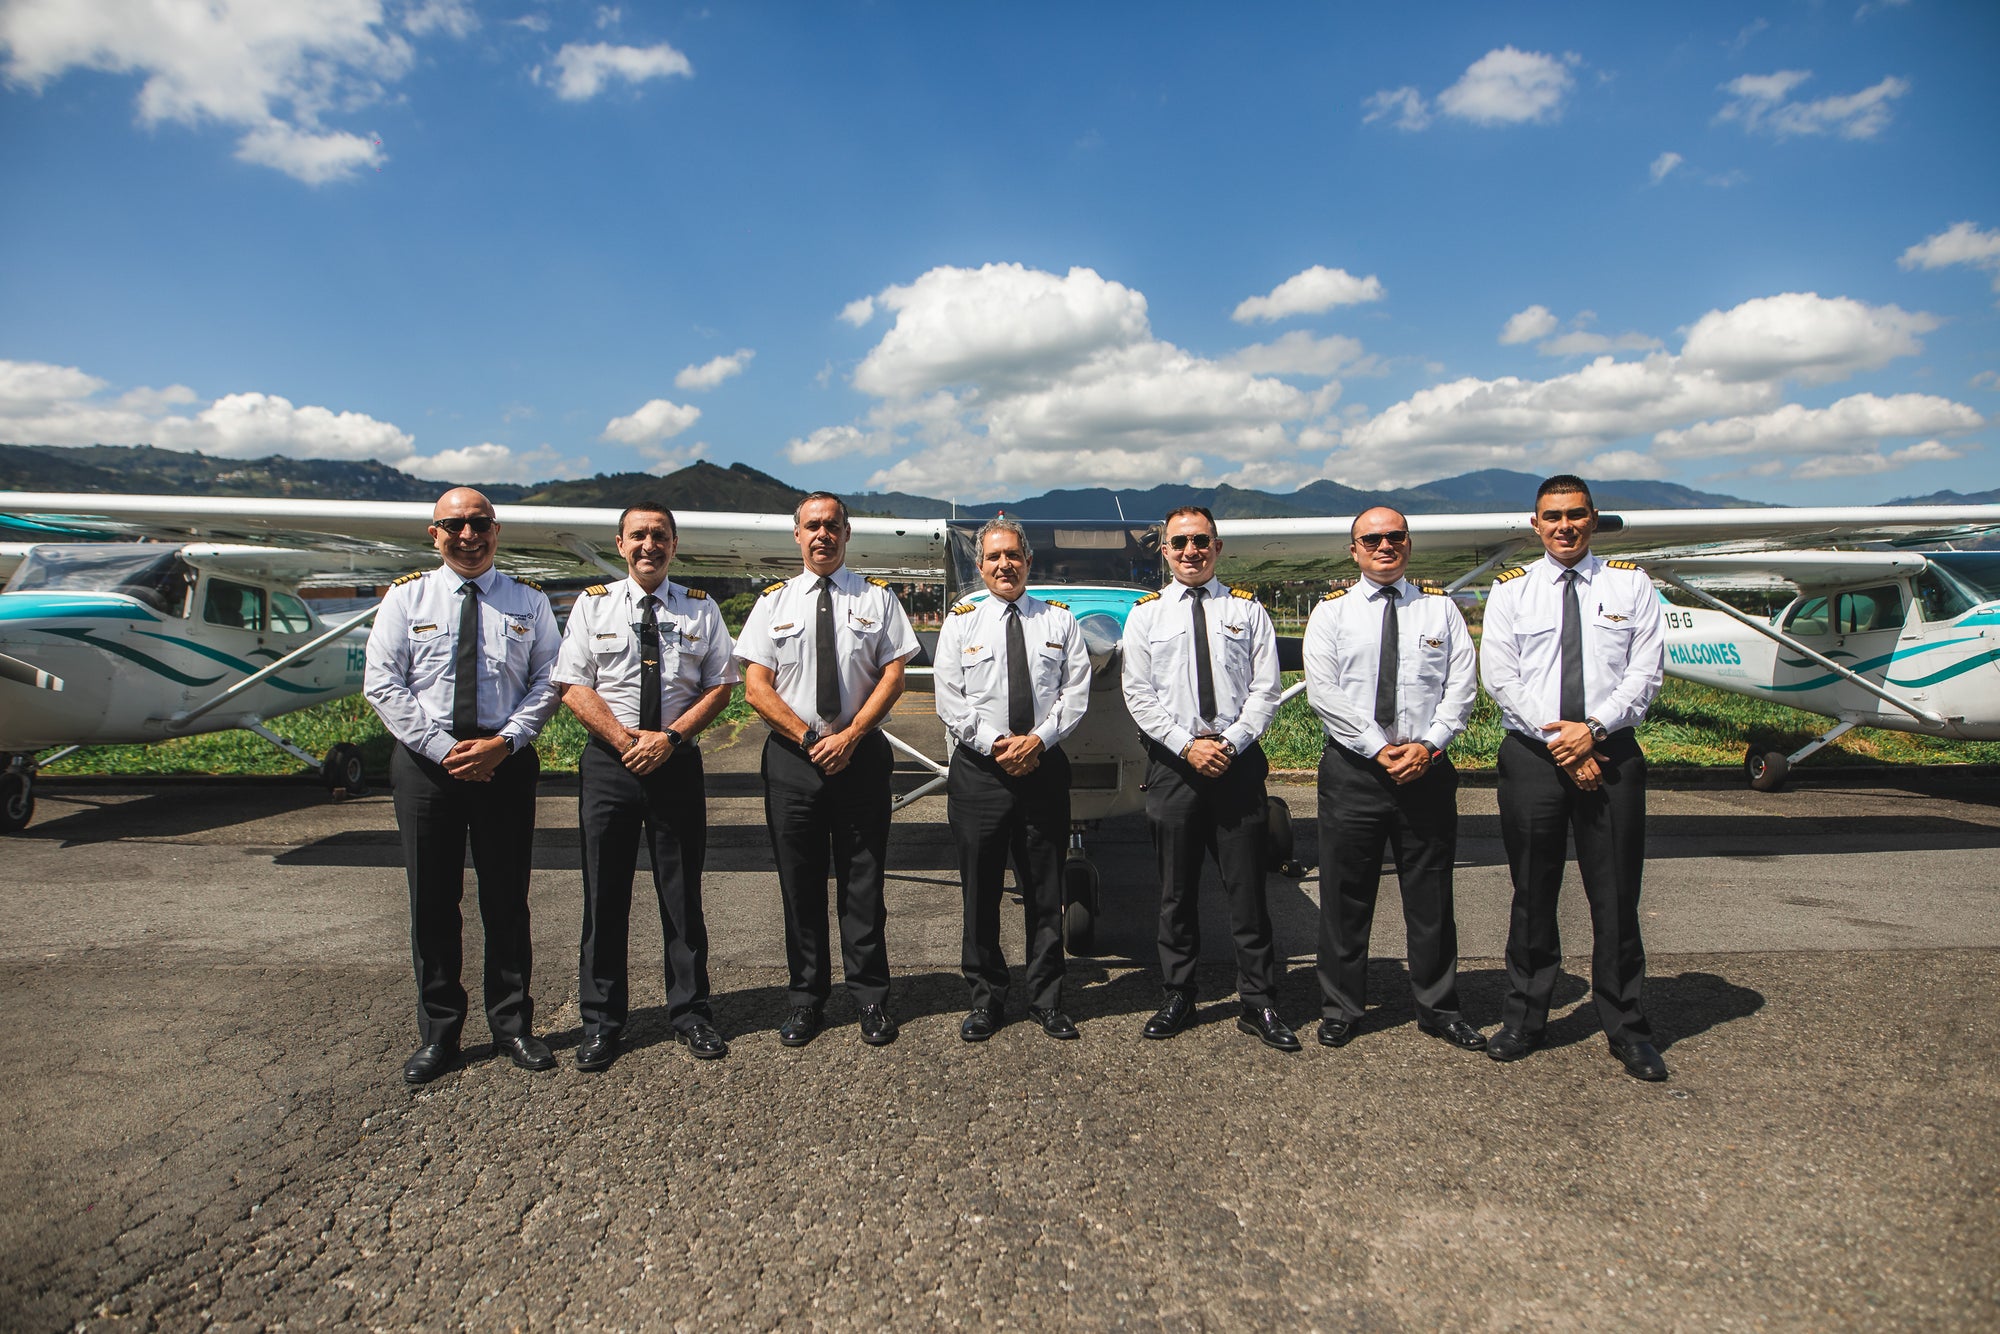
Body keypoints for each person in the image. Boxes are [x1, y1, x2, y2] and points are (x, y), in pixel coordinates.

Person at [363, 487, 561, 1085]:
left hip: (505, 760)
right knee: (432, 901)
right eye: (454, 525)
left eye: (479, 523)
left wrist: (506, 742)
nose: (468, 535)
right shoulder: (406, 598)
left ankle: (513, 1025)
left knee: (506, 899)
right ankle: (440, 1033)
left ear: (496, 530)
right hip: (428, 767)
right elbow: (383, 683)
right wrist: (443, 749)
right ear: (435, 533)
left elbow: (550, 680)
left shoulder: (529, 601)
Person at [1480, 474, 1670, 1081]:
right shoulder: (1511, 590)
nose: (1565, 526)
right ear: (1535, 524)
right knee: (1532, 892)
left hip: (1611, 751)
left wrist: (1593, 729)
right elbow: (1501, 679)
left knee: (1615, 895)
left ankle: (1627, 1027)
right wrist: (1564, 742)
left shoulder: (1631, 585)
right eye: (1553, 516)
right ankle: (1524, 1019)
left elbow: (1646, 672)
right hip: (1534, 757)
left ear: (1594, 518)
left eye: (1576, 514)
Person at [553, 503, 739, 1072]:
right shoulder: (592, 606)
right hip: (610, 764)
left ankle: (691, 1013)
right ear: (620, 544)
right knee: (604, 895)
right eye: (638, 535)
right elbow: (573, 684)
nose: (649, 545)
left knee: (681, 895)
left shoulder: (701, 609)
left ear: (674, 545)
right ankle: (602, 1023)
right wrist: (624, 740)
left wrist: (670, 739)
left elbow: (720, 685)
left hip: (675, 762)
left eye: (660, 535)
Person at [735, 492, 920, 1047]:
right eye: (812, 525)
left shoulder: (878, 598)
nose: (823, 534)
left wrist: (852, 735)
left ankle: (870, 998)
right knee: (801, 885)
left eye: (832, 525)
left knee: (864, 883)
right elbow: (755, 686)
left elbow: (894, 675)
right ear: (797, 535)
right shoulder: (773, 603)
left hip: (860, 756)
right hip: (794, 760)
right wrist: (808, 737)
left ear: (846, 533)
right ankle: (805, 1000)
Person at [1302, 507, 1482, 1052]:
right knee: (1344, 896)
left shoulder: (1440, 609)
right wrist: (1379, 749)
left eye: (1395, 536)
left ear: (1408, 543)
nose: (1385, 545)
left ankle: (1439, 1008)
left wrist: (1429, 746)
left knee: (1431, 897)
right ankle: (1341, 1007)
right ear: (1354, 549)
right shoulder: (1331, 613)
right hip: (1355, 771)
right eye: (1372, 538)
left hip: (1425, 770)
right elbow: (1324, 692)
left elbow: (1461, 687)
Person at [1120, 505, 1296, 1051]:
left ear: (1217, 547)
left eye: (1200, 541)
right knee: (1175, 892)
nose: (1190, 551)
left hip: (1236, 765)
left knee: (1248, 891)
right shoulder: (1146, 616)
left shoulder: (1249, 610)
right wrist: (1187, 746)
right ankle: (1178, 994)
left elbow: (1266, 689)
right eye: (1179, 543)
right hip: (1174, 767)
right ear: (1165, 552)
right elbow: (1138, 694)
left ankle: (1258, 1001)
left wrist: (1230, 743)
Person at [934, 517, 1092, 1042]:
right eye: (994, 557)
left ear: (1028, 561)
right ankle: (986, 999)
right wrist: (998, 745)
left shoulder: (1059, 621)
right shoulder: (961, 623)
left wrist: (1037, 741)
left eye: (1013, 555)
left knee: (1045, 890)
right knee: (980, 892)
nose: (1005, 565)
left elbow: (1075, 693)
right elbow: (950, 698)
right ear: (980, 567)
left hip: (1043, 767)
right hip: (980, 772)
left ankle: (1047, 999)